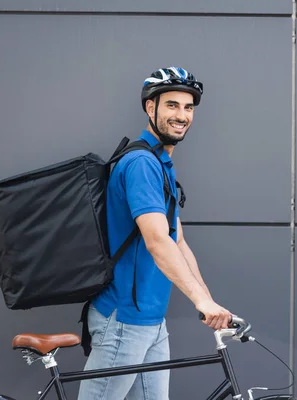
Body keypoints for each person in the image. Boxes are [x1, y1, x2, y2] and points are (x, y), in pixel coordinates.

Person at [77, 67, 233, 399]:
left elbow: (177, 241)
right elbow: (157, 241)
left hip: (151, 321)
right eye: (172, 105)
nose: (182, 115)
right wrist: (200, 299)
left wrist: (207, 301)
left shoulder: (161, 164)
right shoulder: (141, 165)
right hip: (122, 321)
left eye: (188, 108)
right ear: (151, 108)